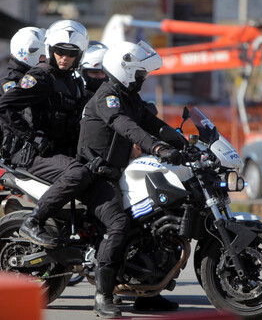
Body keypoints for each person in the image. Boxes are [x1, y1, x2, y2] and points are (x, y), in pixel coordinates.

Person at [77, 40, 183, 317]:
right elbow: (125, 126)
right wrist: (156, 147)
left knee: (155, 221)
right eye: (140, 73)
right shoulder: (107, 97)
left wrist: (185, 144)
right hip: (97, 176)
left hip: (117, 172)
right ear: (125, 71)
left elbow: (154, 124)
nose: (143, 78)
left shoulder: (129, 97)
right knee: (119, 223)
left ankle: (148, 293)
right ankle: (103, 295)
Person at [0, 20, 92, 248]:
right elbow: (7, 109)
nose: (64, 58)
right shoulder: (36, 77)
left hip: (56, 149)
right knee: (77, 173)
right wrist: (32, 137)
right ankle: (34, 221)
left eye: (70, 53)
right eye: (59, 52)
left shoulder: (72, 81)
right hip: (29, 153)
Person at [0, 27, 46, 161]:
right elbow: (11, 112)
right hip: (20, 151)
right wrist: (32, 137)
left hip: (37, 147)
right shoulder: (9, 81)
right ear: (30, 53)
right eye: (42, 56)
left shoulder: (31, 76)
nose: (45, 60)